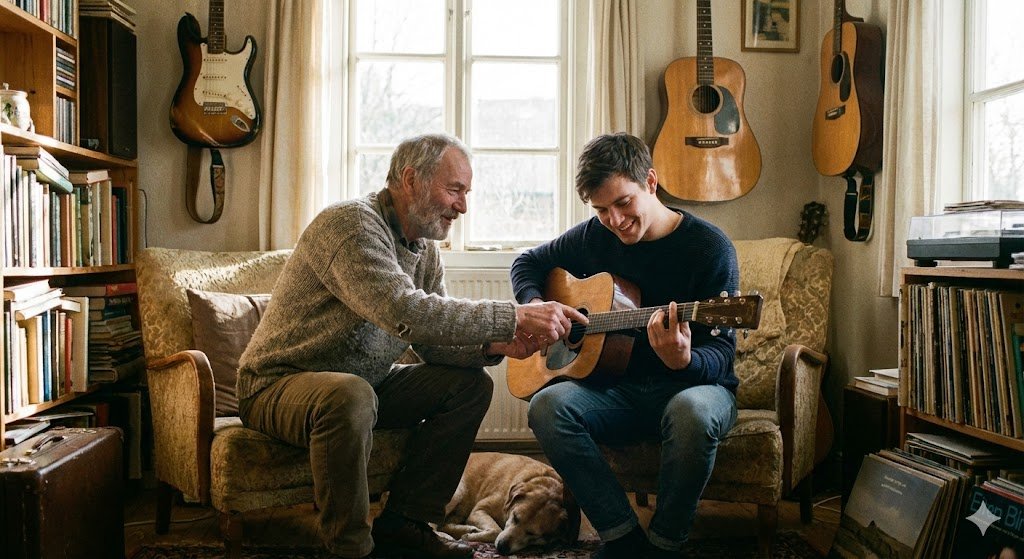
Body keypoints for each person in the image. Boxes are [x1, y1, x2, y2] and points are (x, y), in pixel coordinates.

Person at [236, 133, 587, 559]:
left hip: (364, 385)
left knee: (470, 386)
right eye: (454, 190)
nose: (463, 206)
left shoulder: (424, 251)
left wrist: (494, 345)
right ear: (410, 180)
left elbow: (433, 343)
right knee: (350, 393)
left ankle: (407, 523)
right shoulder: (350, 224)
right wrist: (512, 315)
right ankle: (351, 548)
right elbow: (402, 309)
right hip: (277, 386)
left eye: (466, 193)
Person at [509, 132, 740, 559]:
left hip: (697, 390)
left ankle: (665, 545)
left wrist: (684, 360)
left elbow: (723, 355)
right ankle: (622, 539)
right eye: (601, 210)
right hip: (618, 393)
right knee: (547, 406)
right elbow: (528, 262)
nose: (614, 220)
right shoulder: (592, 237)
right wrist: (537, 306)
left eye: (623, 202)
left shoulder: (709, 248)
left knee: (691, 411)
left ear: (650, 181)